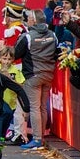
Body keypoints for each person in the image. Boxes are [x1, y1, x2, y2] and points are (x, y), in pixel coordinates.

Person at [15, 9, 58, 149]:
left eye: (28, 18)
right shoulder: (53, 35)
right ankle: (42, 136)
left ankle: (37, 139)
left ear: (33, 20)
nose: (27, 20)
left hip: (33, 76)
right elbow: (57, 52)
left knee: (34, 108)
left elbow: (15, 53)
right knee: (42, 107)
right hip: (49, 75)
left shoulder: (27, 37)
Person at [0, 46, 26, 145]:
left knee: (8, 119)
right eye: (4, 59)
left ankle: (2, 137)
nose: (6, 61)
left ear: (13, 59)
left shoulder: (15, 70)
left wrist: (11, 80)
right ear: (0, 58)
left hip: (11, 101)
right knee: (0, 118)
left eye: (9, 59)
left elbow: (21, 84)